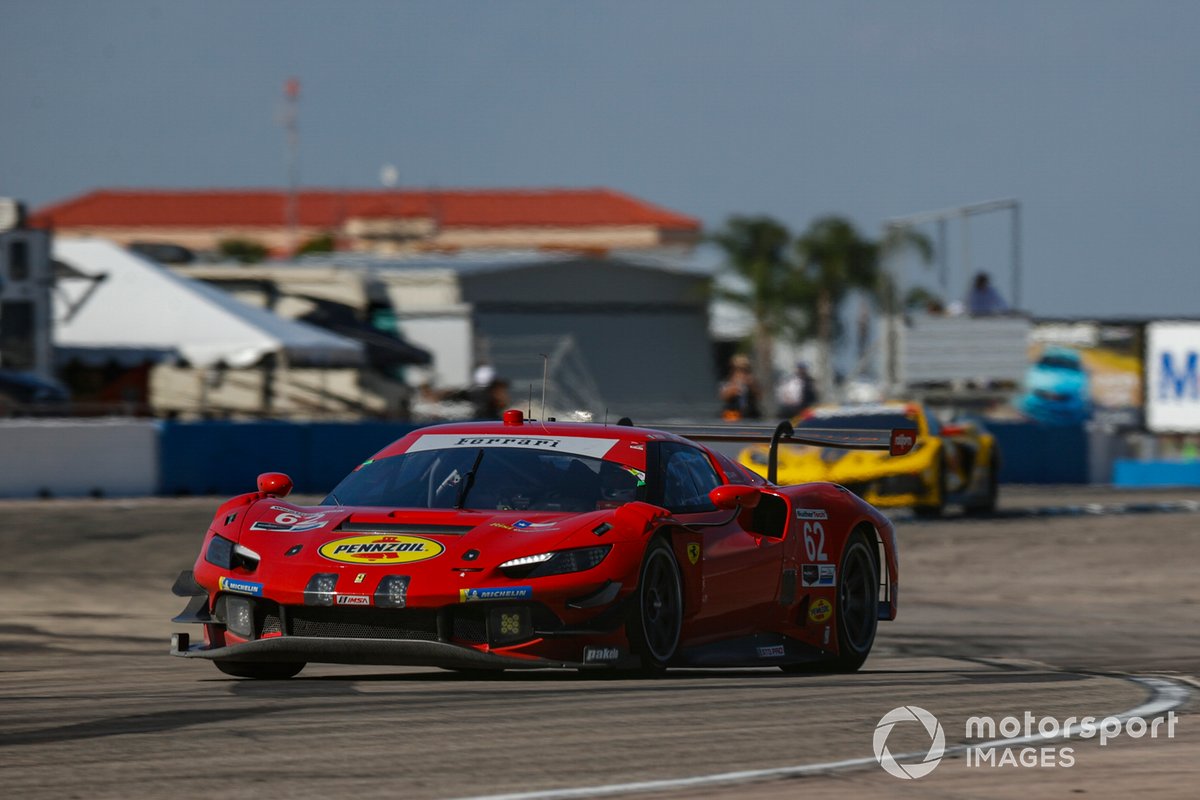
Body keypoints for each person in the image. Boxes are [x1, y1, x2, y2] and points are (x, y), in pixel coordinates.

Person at [718, 354, 761, 421]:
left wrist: (751, 385)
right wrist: (735, 386)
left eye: (744, 369)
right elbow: (724, 396)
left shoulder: (751, 381)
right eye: (738, 369)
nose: (742, 372)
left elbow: (759, 396)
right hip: (733, 414)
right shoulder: (728, 381)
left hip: (750, 414)